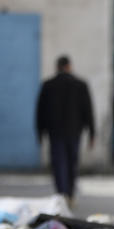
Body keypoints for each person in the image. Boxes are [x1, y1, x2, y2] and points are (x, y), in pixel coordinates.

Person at [35, 55, 94, 205]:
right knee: (71, 164)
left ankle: (61, 194)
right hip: (74, 132)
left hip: (55, 133)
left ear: (57, 67)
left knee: (58, 163)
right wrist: (92, 133)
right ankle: (70, 194)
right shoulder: (81, 85)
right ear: (69, 66)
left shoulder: (48, 85)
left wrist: (40, 133)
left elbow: (40, 112)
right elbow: (88, 110)